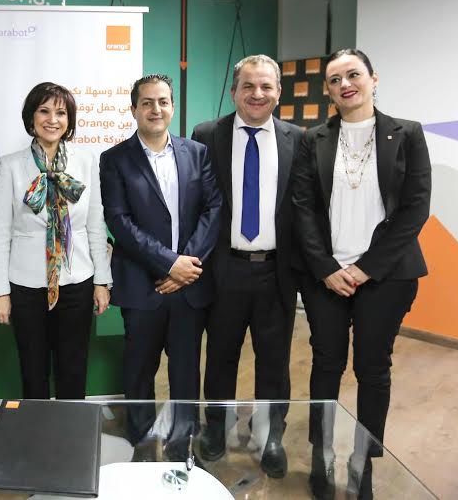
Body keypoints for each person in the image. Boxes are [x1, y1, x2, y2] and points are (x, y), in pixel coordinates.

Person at [291, 49, 431, 500]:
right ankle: (321, 455)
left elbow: (415, 209)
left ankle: (361, 462)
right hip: (325, 278)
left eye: (353, 75)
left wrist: (366, 268)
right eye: (335, 80)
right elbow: (302, 209)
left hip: (386, 276)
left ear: (373, 79)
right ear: (328, 91)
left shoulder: (407, 134)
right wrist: (327, 268)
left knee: (373, 369)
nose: (345, 84)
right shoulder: (313, 139)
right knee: (326, 364)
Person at [192, 54, 305, 477]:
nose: (257, 94)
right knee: (220, 355)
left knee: (274, 360)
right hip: (225, 268)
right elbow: (197, 202)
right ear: (234, 91)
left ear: (278, 91)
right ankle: (215, 425)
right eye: (248, 86)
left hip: (277, 271)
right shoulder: (207, 134)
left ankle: (271, 434)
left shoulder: (298, 139)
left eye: (266, 86)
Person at [99, 74, 222, 459]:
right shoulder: (115, 159)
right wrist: (170, 265)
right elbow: (119, 222)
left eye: (163, 101)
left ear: (172, 106)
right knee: (139, 371)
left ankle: (182, 446)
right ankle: (141, 445)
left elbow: (213, 209)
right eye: (147, 102)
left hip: (190, 285)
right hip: (142, 285)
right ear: (134, 109)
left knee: (185, 372)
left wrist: (187, 266)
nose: (156, 109)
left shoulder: (196, 153)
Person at [0, 82, 111, 399]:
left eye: (61, 113)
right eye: (44, 111)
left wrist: (102, 281)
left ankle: (72, 428)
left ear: (69, 120)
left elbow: (95, 225)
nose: (52, 120)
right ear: (31, 117)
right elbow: (0, 232)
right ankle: (38, 428)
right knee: (33, 369)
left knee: (74, 367)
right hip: (26, 283)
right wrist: (1, 291)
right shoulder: (11, 165)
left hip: (77, 280)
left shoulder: (86, 161)